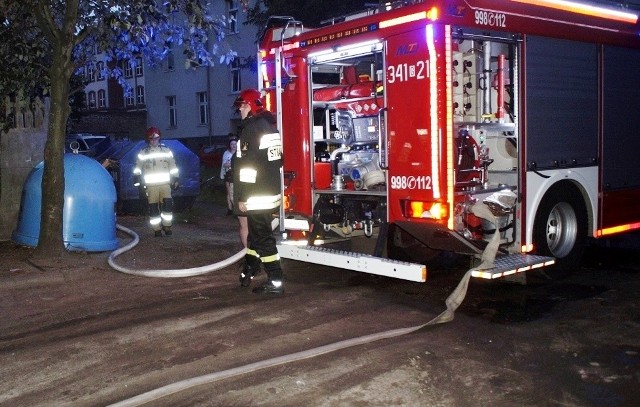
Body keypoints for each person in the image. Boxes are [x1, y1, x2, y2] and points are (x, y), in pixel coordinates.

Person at [233, 88, 284, 295]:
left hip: (256, 195)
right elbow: (278, 160)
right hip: (269, 190)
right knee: (256, 235)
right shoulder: (269, 127)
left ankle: (276, 281)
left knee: (263, 238)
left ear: (252, 106)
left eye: (242, 106)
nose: (240, 111)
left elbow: (247, 168)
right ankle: (250, 268)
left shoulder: (251, 129)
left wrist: (243, 196)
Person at [133, 127, 179, 237]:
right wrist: (137, 179)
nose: (154, 141)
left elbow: (173, 165)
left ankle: (167, 226)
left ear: (159, 138)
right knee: (153, 208)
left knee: (168, 206)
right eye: (152, 139)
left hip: (165, 184)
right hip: (151, 186)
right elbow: (138, 167)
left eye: (156, 138)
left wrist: (176, 178)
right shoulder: (143, 152)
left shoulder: (166, 151)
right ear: (148, 139)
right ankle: (157, 229)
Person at [221, 138, 237, 216]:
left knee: (235, 192)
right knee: (229, 192)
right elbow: (224, 164)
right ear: (229, 145)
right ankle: (230, 208)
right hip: (229, 174)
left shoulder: (239, 153)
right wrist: (233, 164)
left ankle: (235, 209)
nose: (234, 145)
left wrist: (230, 163)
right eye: (232, 144)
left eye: (235, 144)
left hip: (237, 174)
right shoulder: (226, 153)